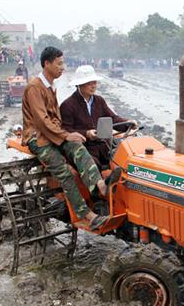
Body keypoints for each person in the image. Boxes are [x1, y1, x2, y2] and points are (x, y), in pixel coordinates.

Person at [22, 46, 120, 230]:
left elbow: (55, 120)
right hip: (38, 138)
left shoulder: (50, 86)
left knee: (78, 147)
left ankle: (101, 185)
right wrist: (67, 134)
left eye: (63, 63)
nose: (62, 67)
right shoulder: (34, 87)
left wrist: (71, 137)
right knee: (64, 171)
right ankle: (87, 215)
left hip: (53, 134)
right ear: (47, 64)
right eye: (59, 64)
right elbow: (42, 122)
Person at [60, 65, 137, 169]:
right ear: (79, 84)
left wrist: (128, 123)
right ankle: (102, 184)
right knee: (94, 166)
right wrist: (86, 133)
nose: (93, 86)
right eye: (89, 83)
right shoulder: (68, 105)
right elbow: (66, 130)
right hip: (84, 148)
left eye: (94, 82)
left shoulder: (99, 101)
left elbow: (113, 118)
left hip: (103, 146)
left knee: (124, 161)